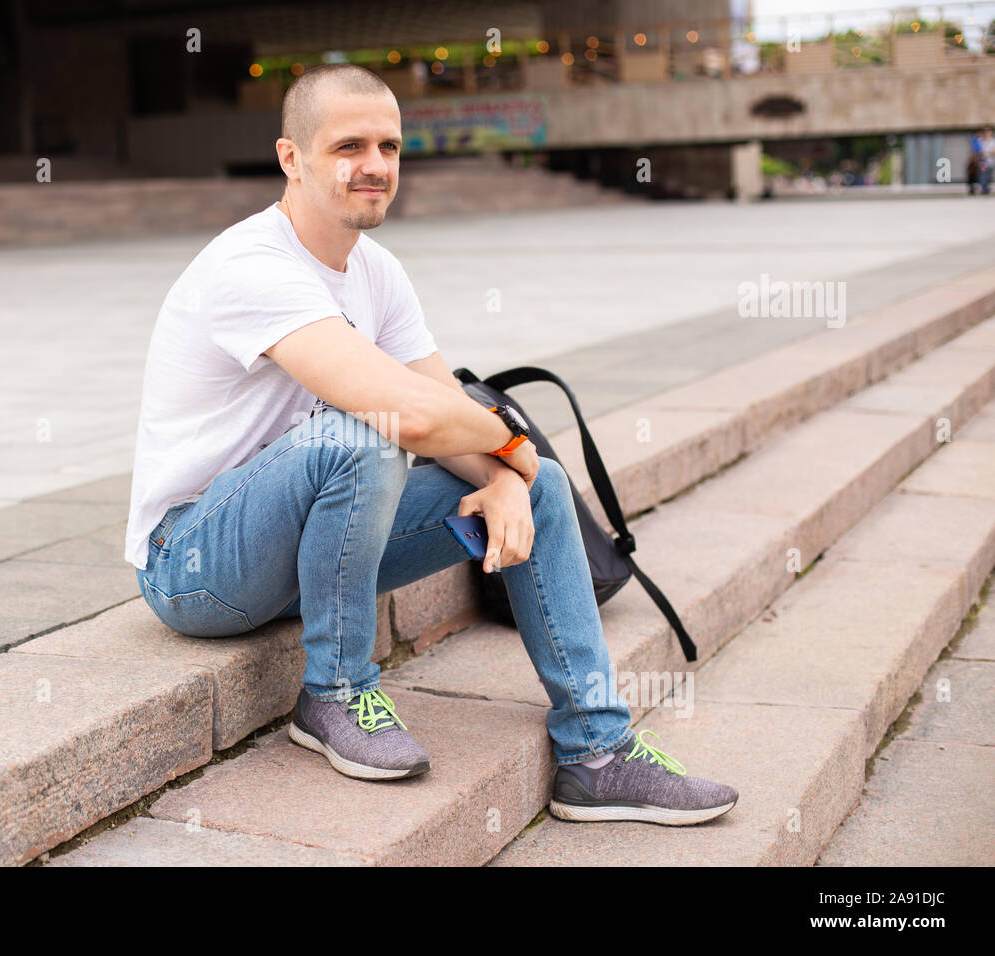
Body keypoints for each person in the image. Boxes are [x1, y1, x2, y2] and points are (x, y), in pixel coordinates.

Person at [125, 63, 738, 826]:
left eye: (389, 145)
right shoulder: (251, 264)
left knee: (540, 484)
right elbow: (407, 417)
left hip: (300, 554)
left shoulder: (377, 272)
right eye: (349, 145)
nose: (375, 166)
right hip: (196, 564)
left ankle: (597, 753)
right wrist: (510, 441)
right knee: (365, 434)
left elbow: (443, 406)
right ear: (292, 158)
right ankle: (336, 694)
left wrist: (513, 476)